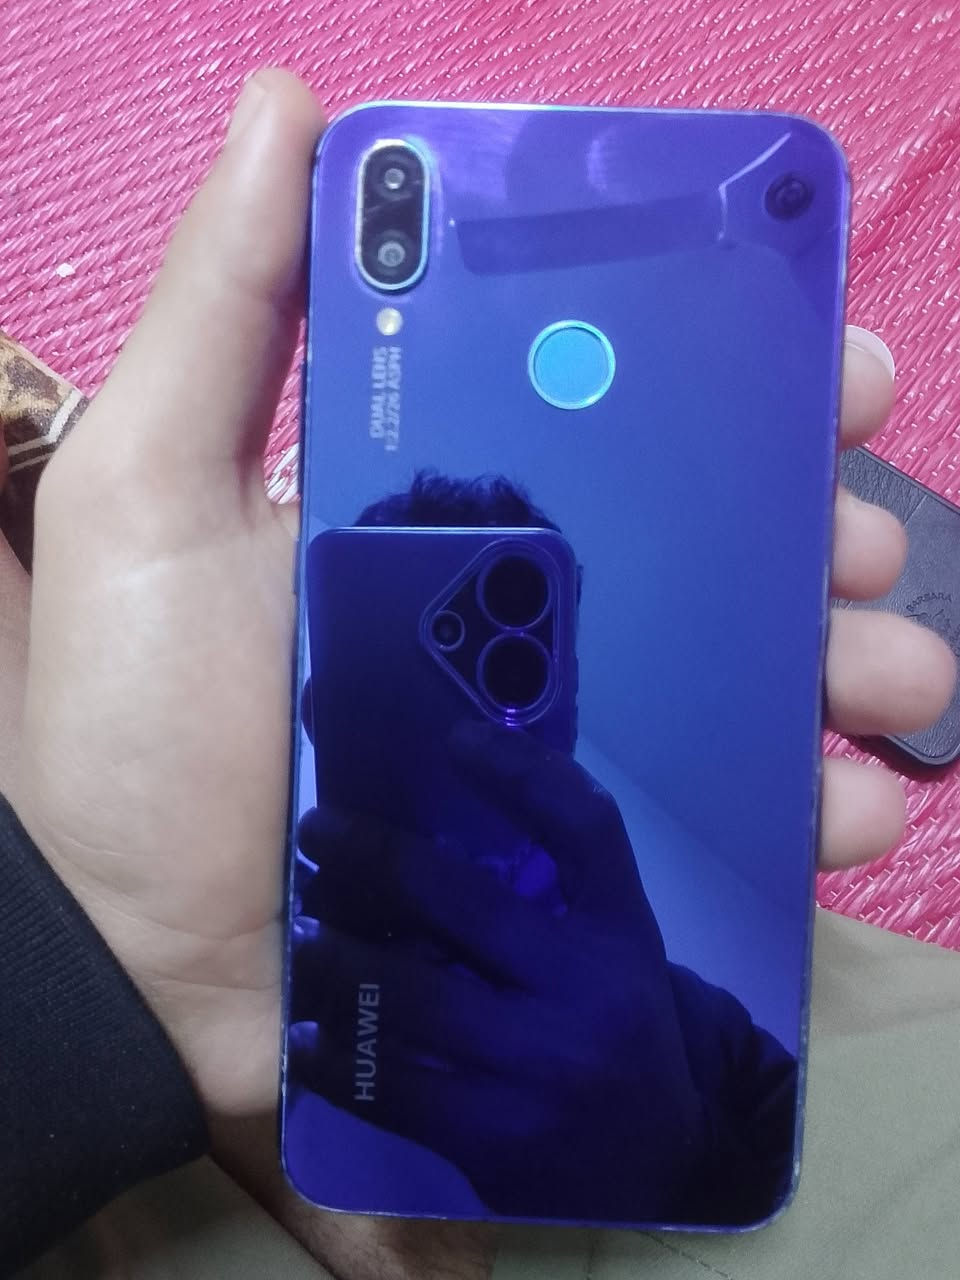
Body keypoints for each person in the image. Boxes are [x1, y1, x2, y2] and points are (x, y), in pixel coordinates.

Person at [0, 69, 956, 1279]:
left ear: (562, 704)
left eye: (514, 649)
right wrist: (104, 955)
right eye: (419, 653)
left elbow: (755, 1105)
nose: (474, 699)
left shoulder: (683, 1015)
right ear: (322, 691)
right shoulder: (690, 1012)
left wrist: (681, 1146)